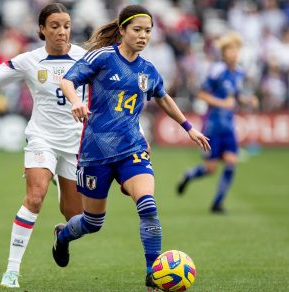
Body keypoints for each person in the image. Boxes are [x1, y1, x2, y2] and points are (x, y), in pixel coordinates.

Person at [50, 5, 210, 291]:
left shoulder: (148, 70)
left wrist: (189, 127)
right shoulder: (103, 57)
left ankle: (152, 274)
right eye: (137, 30)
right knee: (92, 222)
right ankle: (63, 236)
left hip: (132, 149)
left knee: (147, 204)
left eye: (148, 31)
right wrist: (76, 101)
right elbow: (67, 80)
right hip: (95, 153)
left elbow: (162, 97)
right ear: (122, 30)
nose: (143, 36)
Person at [0, 3, 86, 288]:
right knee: (34, 197)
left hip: (76, 143)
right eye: (54, 26)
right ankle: (12, 271)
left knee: (78, 219)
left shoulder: (84, 57)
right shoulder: (31, 60)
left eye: (66, 25)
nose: (61, 32)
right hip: (42, 138)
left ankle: (61, 236)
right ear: (42, 29)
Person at [176, 32, 257, 213]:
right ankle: (187, 176)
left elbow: (235, 97)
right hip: (213, 125)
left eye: (236, 49)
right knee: (210, 168)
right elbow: (201, 94)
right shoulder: (217, 71)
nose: (234, 53)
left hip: (228, 126)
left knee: (231, 162)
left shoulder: (239, 73)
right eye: (230, 49)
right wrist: (222, 103)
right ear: (223, 52)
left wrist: (246, 100)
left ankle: (217, 203)